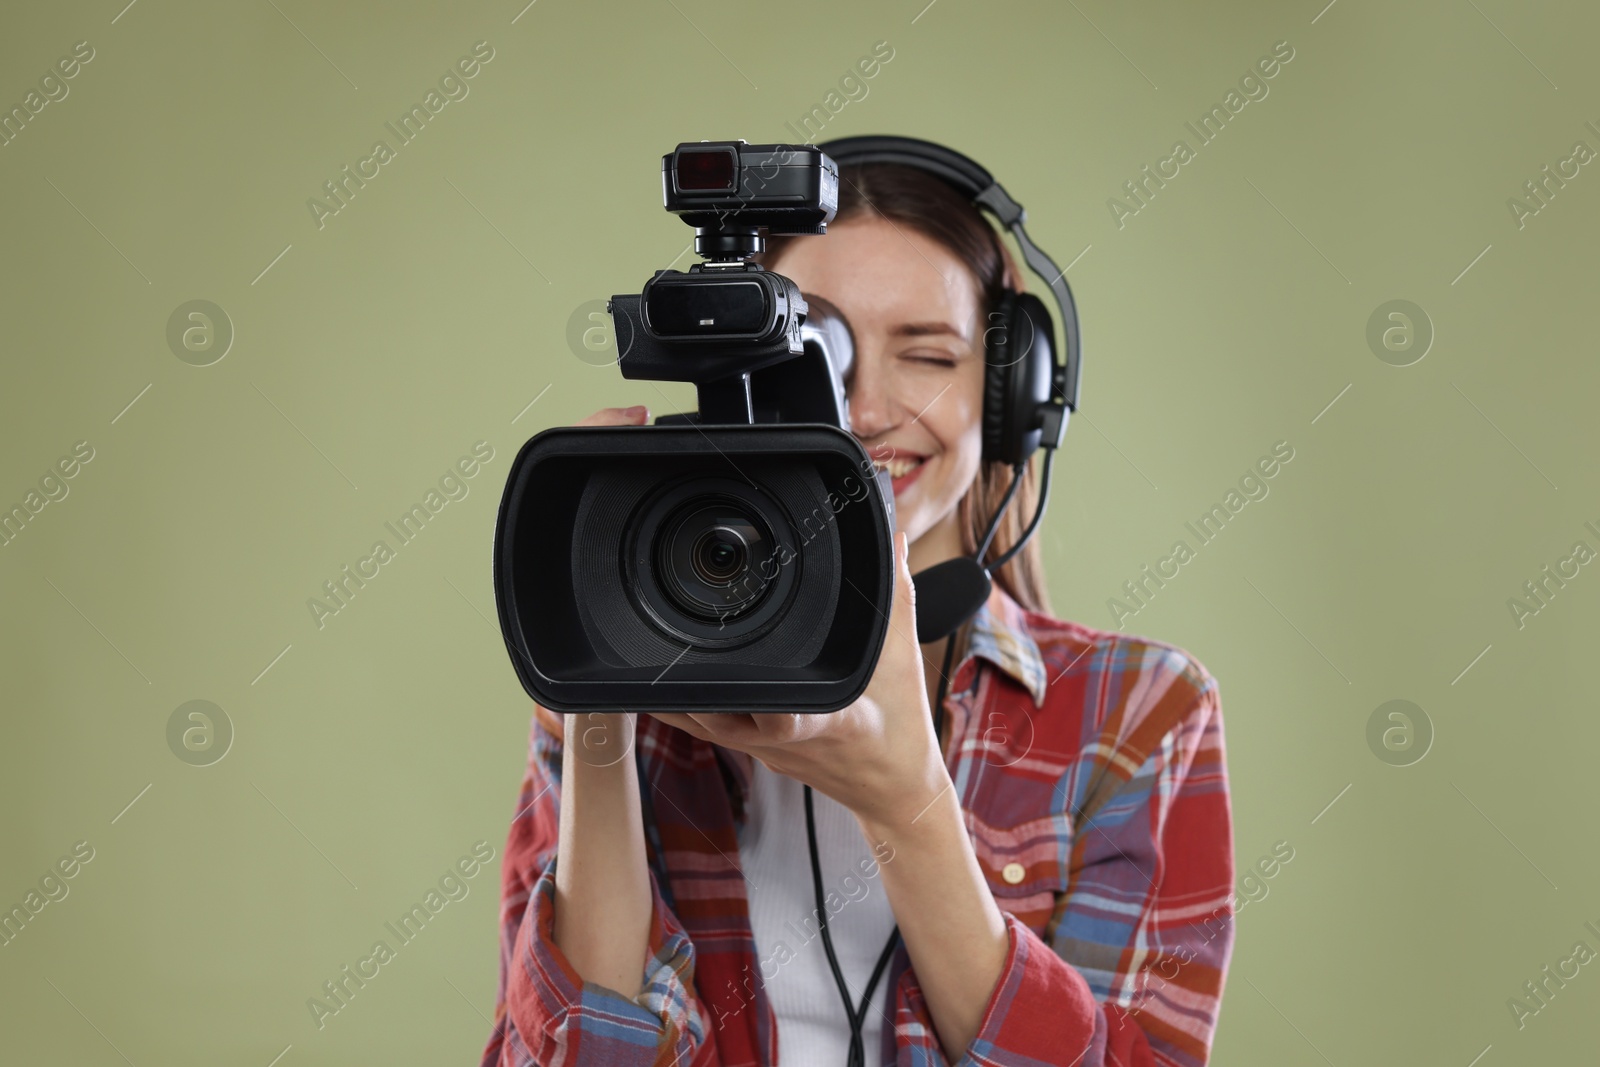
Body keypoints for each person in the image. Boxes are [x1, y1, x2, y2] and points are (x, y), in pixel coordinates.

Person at [480, 159, 1235, 1067]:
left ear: (1010, 402)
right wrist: (600, 668)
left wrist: (908, 801)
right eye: (819, 357)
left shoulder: (1139, 712)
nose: (868, 411)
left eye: (927, 355)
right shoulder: (638, 690)